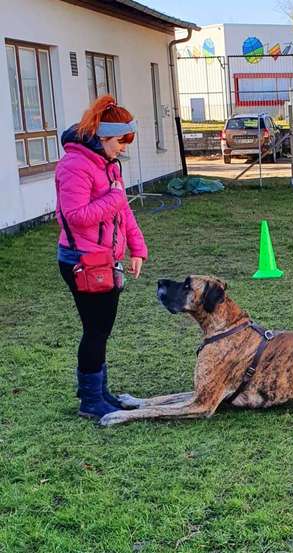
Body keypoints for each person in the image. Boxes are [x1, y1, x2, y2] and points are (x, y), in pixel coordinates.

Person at [55, 94, 148, 419]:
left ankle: (98, 393)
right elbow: (76, 215)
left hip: (104, 259)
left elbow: (123, 211)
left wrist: (138, 248)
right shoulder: (75, 165)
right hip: (82, 261)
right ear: (103, 136)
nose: (124, 148)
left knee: (98, 330)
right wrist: (113, 196)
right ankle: (90, 400)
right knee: (96, 330)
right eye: (121, 141)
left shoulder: (108, 165)